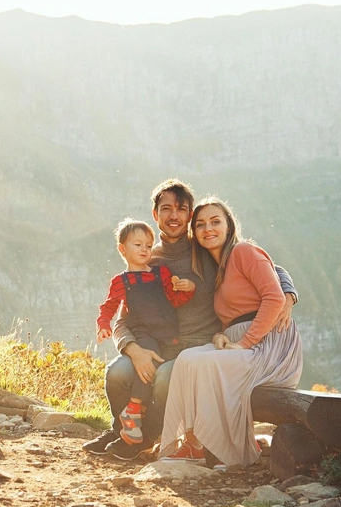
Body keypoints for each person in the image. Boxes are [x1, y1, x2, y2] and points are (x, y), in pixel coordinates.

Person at [82, 179, 298, 460]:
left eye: (182, 209)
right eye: (166, 208)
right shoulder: (148, 259)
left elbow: (266, 264)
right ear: (155, 214)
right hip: (155, 345)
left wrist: (289, 293)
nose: (174, 216)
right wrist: (134, 350)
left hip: (197, 345)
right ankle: (121, 431)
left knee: (164, 379)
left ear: (190, 215)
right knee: (118, 372)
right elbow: (125, 316)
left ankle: (141, 439)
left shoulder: (205, 250)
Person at [158, 196, 303, 469]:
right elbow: (228, 319)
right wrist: (220, 337)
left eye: (215, 221)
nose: (208, 229)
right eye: (200, 224)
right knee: (187, 359)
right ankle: (192, 445)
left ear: (229, 226)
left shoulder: (243, 251)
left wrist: (288, 297)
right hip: (239, 341)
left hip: (269, 345)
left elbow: (273, 296)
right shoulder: (215, 267)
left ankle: (235, 454)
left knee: (204, 363)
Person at [96, 218, 196, 445]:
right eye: (137, 244)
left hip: (167, 333)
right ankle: (132, 410)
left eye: (148, 246)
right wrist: (103, 325)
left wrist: (188, 289)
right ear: (122, 249)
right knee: (147, 359)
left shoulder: (161, 273)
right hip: (142, 334)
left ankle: (143, 425)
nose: (144, 249)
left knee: (158, 366)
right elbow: (109, 306)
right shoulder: (120, 281)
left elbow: (174, 300)